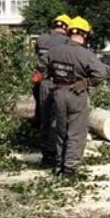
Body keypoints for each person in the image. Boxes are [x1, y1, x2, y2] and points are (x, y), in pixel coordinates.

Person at [42, 16, 107, 175]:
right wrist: (86, 83)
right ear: (84, 35)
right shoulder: (85, 54)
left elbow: (42, 69)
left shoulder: (54, 51)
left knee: (61, 131)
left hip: (57, 93)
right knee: (76, 132)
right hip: (76, 95)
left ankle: (59, 165)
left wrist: (55, 76)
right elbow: (100, 74)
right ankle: (69, 168)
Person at [34, 14, 73, 163]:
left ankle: (46, 153)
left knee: (44, 117)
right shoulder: (67, 42)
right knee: (59, 118)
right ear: (65, 27)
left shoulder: (41, 39)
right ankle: (57, 153)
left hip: (43, 82)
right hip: (59, 83)